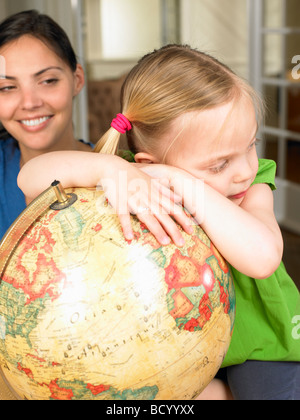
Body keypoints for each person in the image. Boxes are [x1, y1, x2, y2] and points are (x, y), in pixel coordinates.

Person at [18, 44, 300, 400]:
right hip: (179, 339)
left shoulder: (253, 185)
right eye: (219, 164)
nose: (244, 170)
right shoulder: (133, 179)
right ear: (147, 162)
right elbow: (29, 177)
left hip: (260, 347)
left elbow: (262, 257)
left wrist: (181, 180)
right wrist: (112, 169)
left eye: (251, 144)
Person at [0, 10, 187, 246]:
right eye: (6, 87)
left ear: (77, 79)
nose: (29, 102)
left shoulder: (128, 178)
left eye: (48, 81)